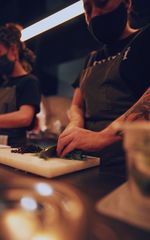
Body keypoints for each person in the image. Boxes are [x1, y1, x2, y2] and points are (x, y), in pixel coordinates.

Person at [57, 0, 150, 178]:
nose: (94, 15)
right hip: (88, 167)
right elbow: (77, 105)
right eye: (88, 9)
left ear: (127, 3)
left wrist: (102, 137)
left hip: (133, 171)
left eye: (101, 3)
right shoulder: (91, 59)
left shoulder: (145, 39)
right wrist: (75, 124)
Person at [0, 24, 41, 147]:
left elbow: (25, 117)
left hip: (15, 149)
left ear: (13, 51)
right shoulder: (3, 83)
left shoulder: (29, 81)